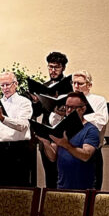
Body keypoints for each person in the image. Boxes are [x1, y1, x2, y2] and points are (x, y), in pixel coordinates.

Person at [0, 71, 34, 188]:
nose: (5, 88)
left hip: (18, 149)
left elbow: (22, 125)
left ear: (16, 84)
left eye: (8, 84)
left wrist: (3, 118)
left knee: (19, 188)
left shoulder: (24, 102)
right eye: (2, 85)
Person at [37, 92, 99, 189]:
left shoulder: (91, 129)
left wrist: (66, 145)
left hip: (84, 187)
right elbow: (53, 157)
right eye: (67, 107)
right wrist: (45, 143)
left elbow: (86, 156)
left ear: (83, 109)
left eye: (73, 108)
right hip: (62, 185)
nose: (69, 110)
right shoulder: (61, 127)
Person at [31, 52, 69, 189]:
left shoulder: (70, 86)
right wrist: (36, 102)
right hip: (47, 133)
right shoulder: (43, 87)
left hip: (65, 134)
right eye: (50, 67)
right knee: (50, 175)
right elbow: (36, 113)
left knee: (65, 174)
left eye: (57, 67)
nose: (53, 70)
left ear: (63, 68)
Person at [69, 70, 108, 189]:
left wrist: (79, 115)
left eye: (80, 83)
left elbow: (101, 121)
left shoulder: (98, 100)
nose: (76, 86)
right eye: (74, 83)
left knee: (91, 187)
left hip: (90, 147)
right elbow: (53, 120)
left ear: (89, 85)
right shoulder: (68, 99)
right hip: (69, 147)